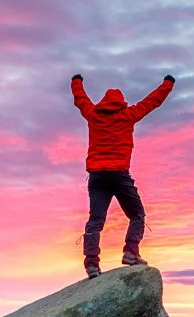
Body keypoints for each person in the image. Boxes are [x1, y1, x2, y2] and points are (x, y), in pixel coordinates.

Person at [71, 73, 175, 278]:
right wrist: (168, 84)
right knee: (137, 215)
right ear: (121, 104)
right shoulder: (128, 115)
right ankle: (131, 252)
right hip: (118, 173)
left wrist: (76, 81)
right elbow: (152, 102)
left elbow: (80, 99)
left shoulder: (93, 114)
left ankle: (92, 264)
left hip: (97, 176)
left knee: (96, 220)